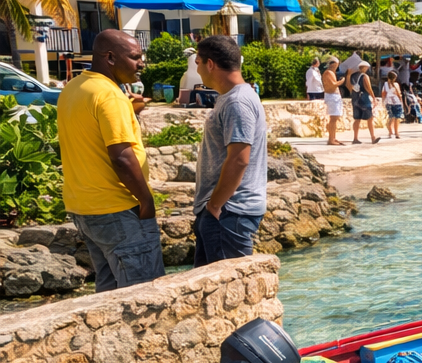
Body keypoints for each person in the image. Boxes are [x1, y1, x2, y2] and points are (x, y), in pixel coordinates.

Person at [57, 29, 164, 291]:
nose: (141, 63)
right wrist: (146, 200)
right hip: (117, 207)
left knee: (109, 292)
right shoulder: (109, 95)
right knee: (143, 295)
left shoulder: (72, 88)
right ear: (110, 57)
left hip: (85, 208)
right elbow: (122, 157)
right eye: (135, 57)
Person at [189, 35, 267, 267]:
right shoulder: (234, 98)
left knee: (229, 295)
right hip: (226, 211)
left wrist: (214, 206)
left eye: (198, 62)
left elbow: (239, 159)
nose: (197, 68)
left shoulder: (237, 102)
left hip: (229, 212)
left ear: (210, 64)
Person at [349, 60, 378, 144]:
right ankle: (373, 137)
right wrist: (373, 97)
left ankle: (355, 138)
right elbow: (368, 88)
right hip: (364, 99)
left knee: (357, 119)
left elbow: (349, 86)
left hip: (355, 99)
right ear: (366, 67)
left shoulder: (353, 76)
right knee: (370, 118)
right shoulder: (365, 76)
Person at [321, 57, 344, 146]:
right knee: (333, 119)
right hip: (332, 96)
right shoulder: (328, 72)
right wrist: (341, 81)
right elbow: (333, 85)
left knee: (335, 118)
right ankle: (331, 139)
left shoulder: (332, 73)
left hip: (335, 97)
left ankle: (333, 137)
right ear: (332, 64)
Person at [382, 70, 404, 139]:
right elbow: (399, 94)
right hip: (396, 102)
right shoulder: (396, 85)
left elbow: (383, 94)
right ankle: (396, 133)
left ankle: (391, 132)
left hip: (389, 102)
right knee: (396, 118)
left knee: (391, 117)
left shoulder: (385, 84)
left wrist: (383, 102)